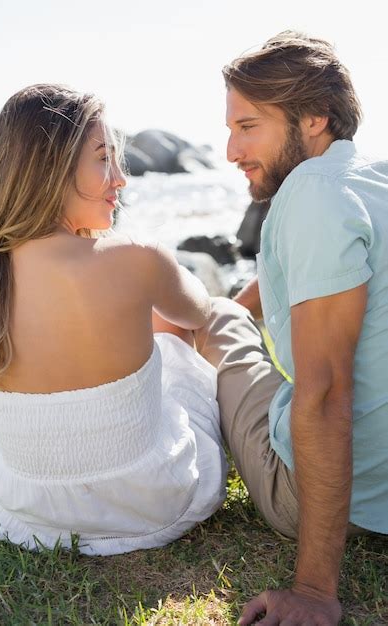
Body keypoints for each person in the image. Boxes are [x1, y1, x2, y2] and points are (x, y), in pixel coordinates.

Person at [0, 84, 227, 555]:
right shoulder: (136, 258)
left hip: (29, 507)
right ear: (52, 167)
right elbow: (200, 311)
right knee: (169, 331)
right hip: (151, 502)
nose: (121, 179)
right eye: (104, 157)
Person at [192, 31, 388, 625]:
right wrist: (244, 303)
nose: (230, 150)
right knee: (230, 311)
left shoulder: (312, 198)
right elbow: (314, 279)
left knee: (214, 326)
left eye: (248, 126)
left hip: (325, 496)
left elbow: (326, 391)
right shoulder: (369, 183)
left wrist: (314, 591)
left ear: (314, 119)